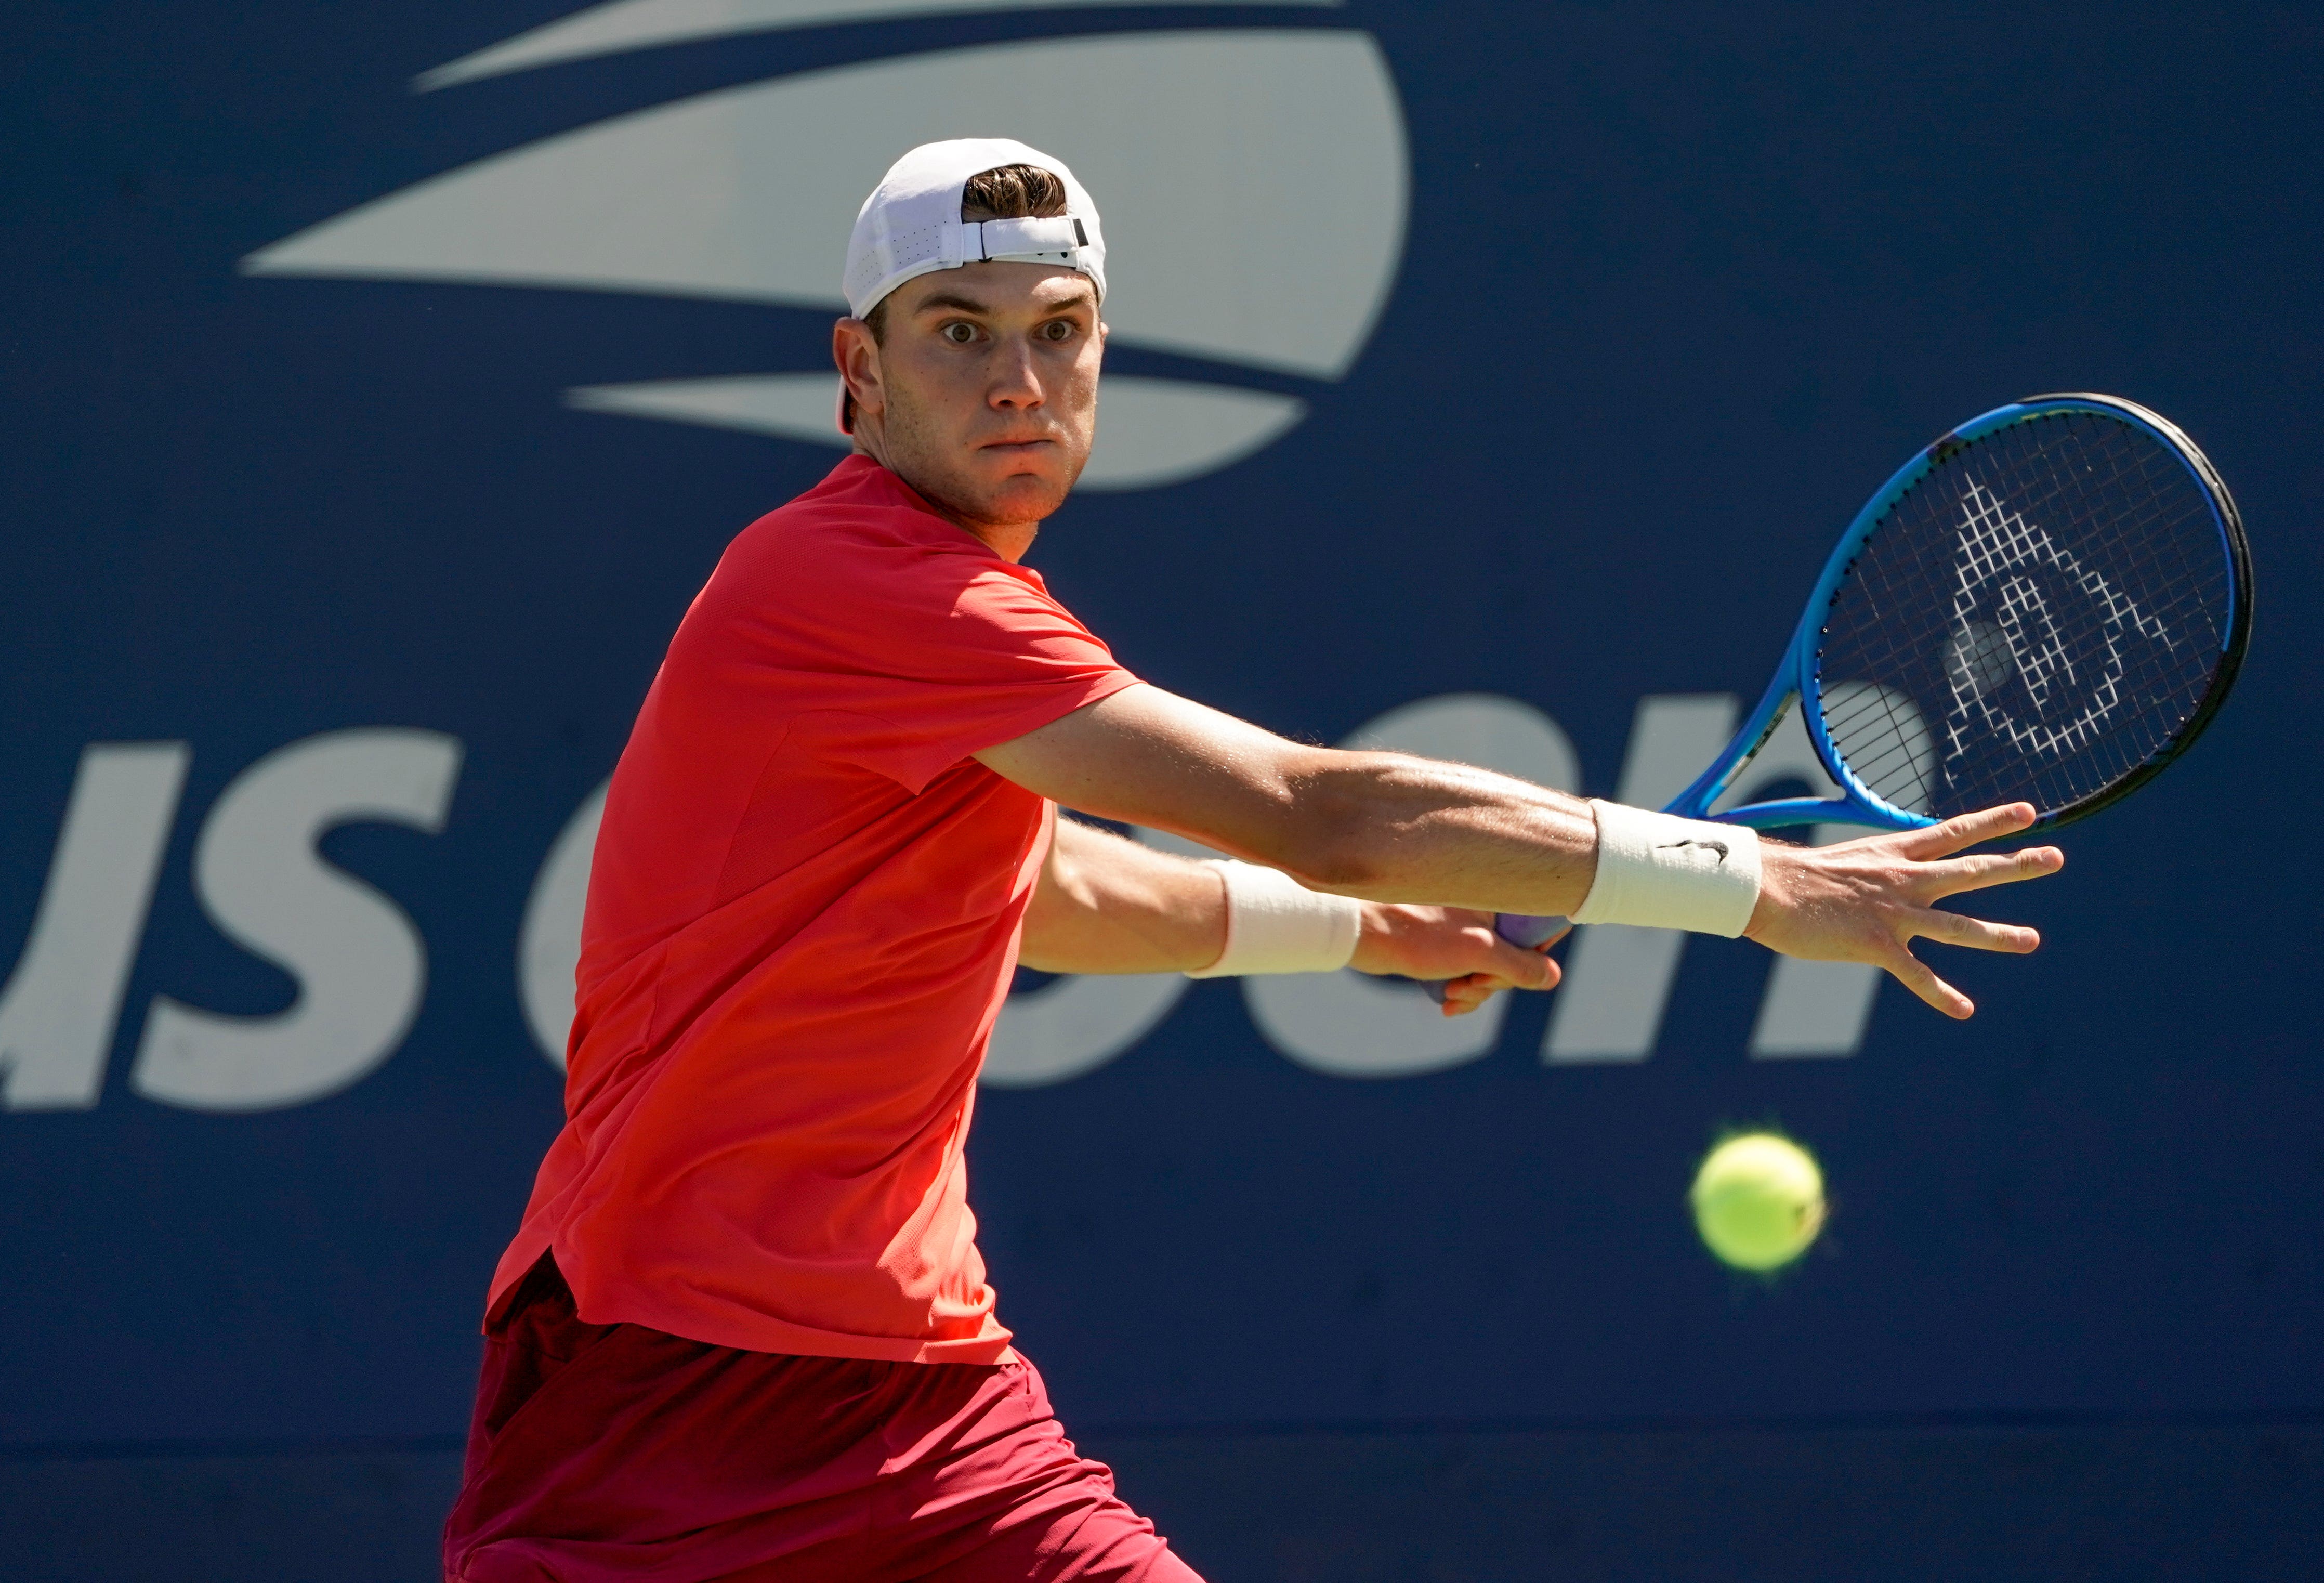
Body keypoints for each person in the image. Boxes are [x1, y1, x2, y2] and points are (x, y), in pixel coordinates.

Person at [441, 139, 2061, 1582]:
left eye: (1059, 334)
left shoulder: (929, 634)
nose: (1020, 379)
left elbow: (1050, 890)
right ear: (855, 373)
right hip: (658, 1406)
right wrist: (1755, 887)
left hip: (926, 1401)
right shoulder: (847, 583)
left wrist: (1356, 942)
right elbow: (1316, 807)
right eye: (961, 334)